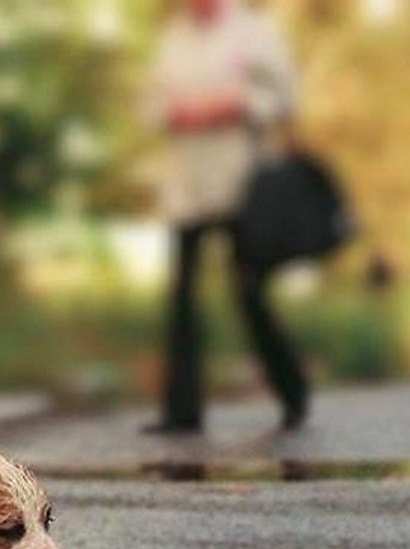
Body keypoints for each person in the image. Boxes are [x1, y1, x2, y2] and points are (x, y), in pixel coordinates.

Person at [143, 0, 308, 433]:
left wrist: (238, 104)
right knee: (183, 299)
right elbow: (150, 104)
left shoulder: (254, 32)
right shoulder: (172, 38)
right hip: (188, 187)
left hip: (243, 185)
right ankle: (181, 411)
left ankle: (293, 392)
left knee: (248, 292)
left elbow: (286, 97)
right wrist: (175, 112)